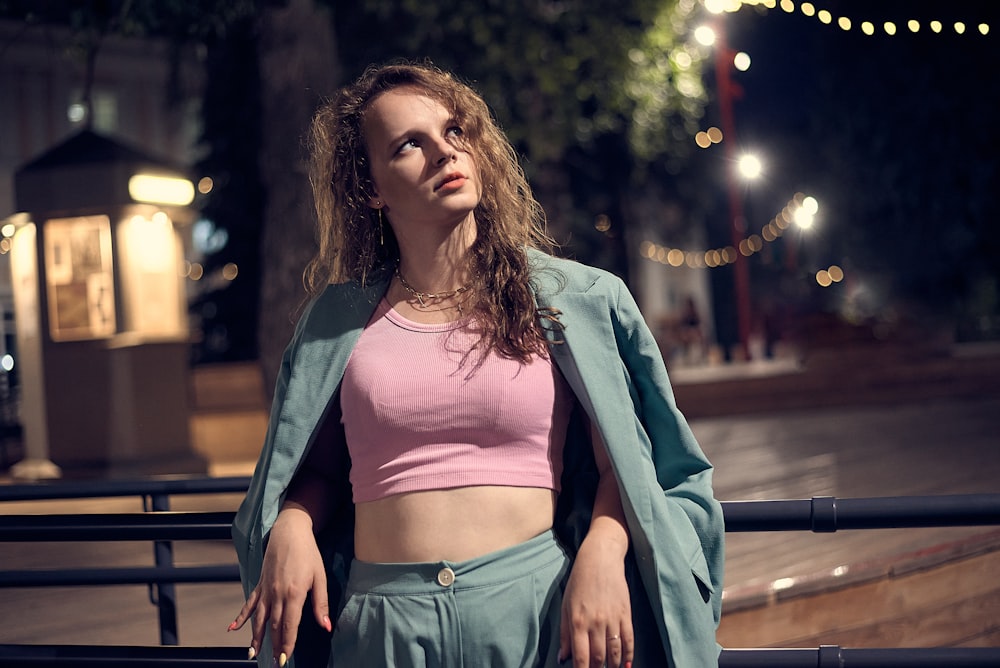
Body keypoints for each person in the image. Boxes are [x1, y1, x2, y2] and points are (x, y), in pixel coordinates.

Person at [228, 61, 724, 668]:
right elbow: (319, 471)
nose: (444, 152)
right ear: (370, 188)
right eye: (411, 143)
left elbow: (626, 462)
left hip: (541, 610)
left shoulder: (576, 299)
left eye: (455, 131)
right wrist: (294, 525)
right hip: (382, 624)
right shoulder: (336, 321)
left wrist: (601, 549)